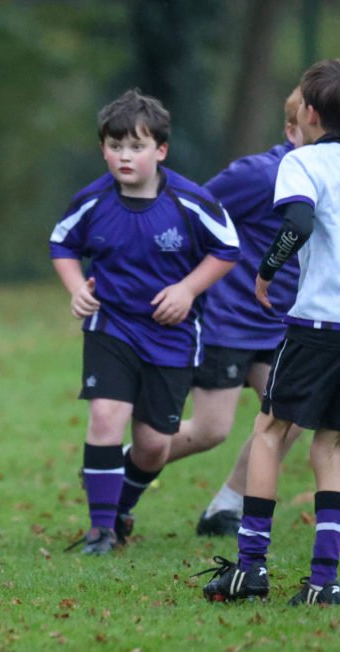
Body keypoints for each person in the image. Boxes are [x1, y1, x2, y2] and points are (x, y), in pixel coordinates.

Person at [49, 89, 239, 555]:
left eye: (136, 146)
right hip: (111, 326)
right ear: (103, 150)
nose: (124, 156)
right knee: (105, 414)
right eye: (115, 146)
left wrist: (187, 289)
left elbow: (227, 250)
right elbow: (62, 244)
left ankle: (121, 506)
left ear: (161, 150)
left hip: (171, 337)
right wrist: (77, 288)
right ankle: (100, 532)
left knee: (154, 445)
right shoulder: (92, 200)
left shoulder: (189, 201)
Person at [202, 59, 340, 605]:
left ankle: (250, 569)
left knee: (269, 432)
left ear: (308, 113)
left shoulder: (303, 162)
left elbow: (299, 224)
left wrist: (266, 269)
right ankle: (326, 581)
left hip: (316, 327)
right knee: (330, 446)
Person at [158, 88, 305, 537]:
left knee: (293, 411)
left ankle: (227, 505)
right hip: (229, 321)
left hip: (282, 325)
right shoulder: (259, 174)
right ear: (291, 129)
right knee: (210, 430)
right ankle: (122, 463)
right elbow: (192, 212)